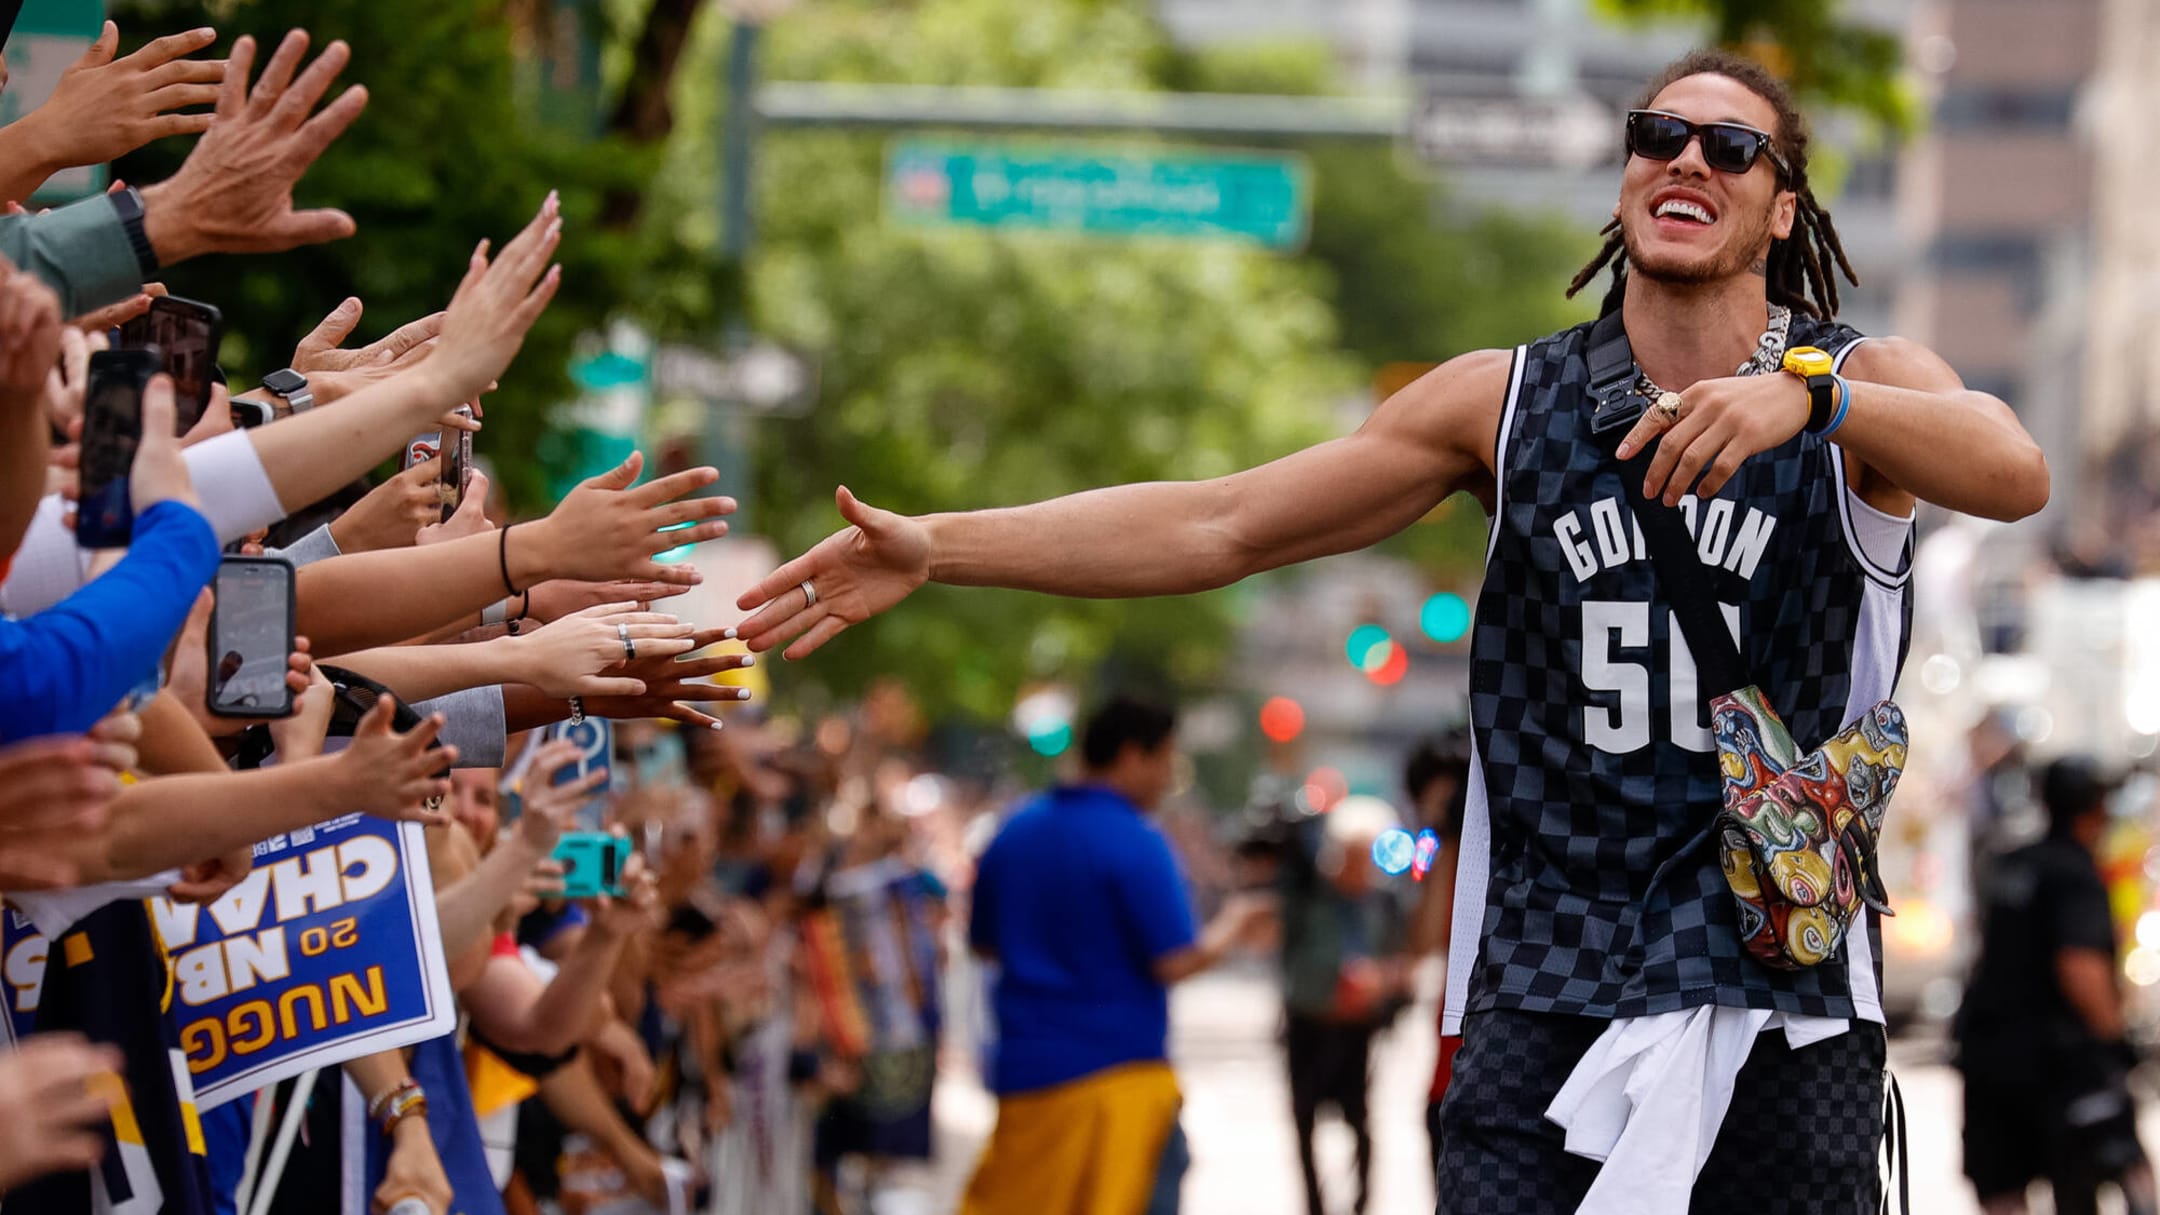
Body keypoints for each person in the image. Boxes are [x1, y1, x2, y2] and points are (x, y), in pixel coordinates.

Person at [738, 47, 2050, 1210]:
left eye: (1731, 145)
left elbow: (2010, 464)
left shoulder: (1862, 387)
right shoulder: (1504, 400)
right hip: (1546, 985)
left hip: (1784, 1002)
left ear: (1779, 206)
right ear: (1624, 182)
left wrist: (1808, 401)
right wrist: (941, 544)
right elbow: (1223, 524)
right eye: (1657, 135)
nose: (1686, 158)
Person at [961, 697, 1267, 1215]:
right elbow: (1173, 960)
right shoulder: (1137, 842)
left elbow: (984, 944)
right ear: (1131, 756)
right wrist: (1234, 924)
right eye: (1165, 761)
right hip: (1121, 1084)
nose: (1169, 779)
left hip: (1028, 1080)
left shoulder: (1014, 832)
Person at [1953, 756, 2157, 1215]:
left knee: (2002, 1186)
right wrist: (2115, 1042)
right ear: (2097, 809)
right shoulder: (2075, 872)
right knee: (2117, 1164)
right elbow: (2079, 968)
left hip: (1988, 1051)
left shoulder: (2011, 863)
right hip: (2055, 1062)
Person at [1269, 796, 1409, 1215]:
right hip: (1309, 1021)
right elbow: (1286, 942)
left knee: (1360, 1120)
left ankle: (1361, 1201)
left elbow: (1401, 961)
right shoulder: (1308, 893)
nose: (1356, 867)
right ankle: (1314, 1203)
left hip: (1357, 1027)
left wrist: (1379, 984)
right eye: (1350, 856)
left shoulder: (1384, 903)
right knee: (1304, 1117)